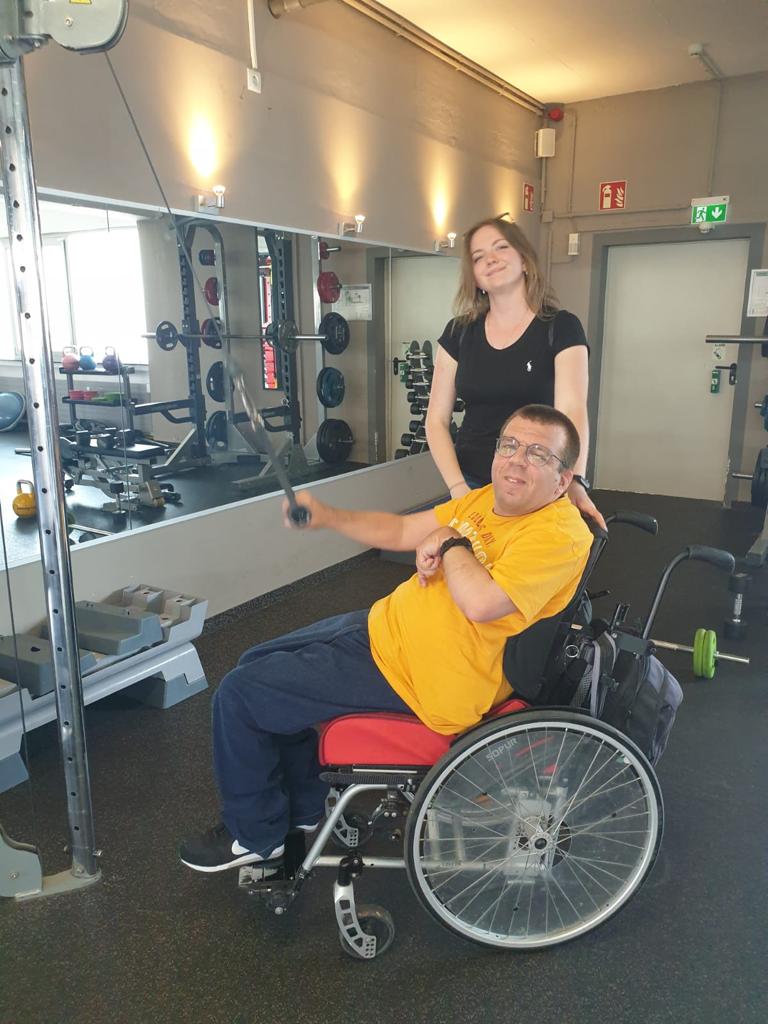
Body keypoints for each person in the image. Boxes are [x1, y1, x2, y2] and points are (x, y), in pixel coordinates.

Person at [179, 405, 592, 873]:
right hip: (387, 628)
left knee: (239, 695)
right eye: (510, 445)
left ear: (563, 480)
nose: (517, 461)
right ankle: (303, 808)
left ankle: (256, 836)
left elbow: (480, 602)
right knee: (253, 662)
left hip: (423, 677)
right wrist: (327, 515)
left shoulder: (559, 534)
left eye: (538, 454)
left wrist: (449, 541)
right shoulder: (483, 501)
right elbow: (400, 530)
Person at [425, 216, 605, 528]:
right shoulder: (459, 332)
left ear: (524, 260)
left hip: (537, 483)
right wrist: (458, 489)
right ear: (475, 278)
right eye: (478, 257)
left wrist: (574, 479)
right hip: (472, 482)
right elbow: (436, 420)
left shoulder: (561, 327)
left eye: (501, 247)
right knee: (459, 558)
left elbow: (572, 410)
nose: (490, 259)